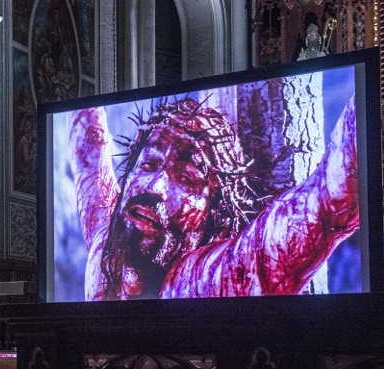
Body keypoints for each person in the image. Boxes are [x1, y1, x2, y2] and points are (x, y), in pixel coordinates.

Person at [68, 95, 358, 300]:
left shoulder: (201, 285)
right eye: (148, 164)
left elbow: (327, 200)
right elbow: (87, 142)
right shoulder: (104, 241)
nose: (155, 188)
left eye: (186, 179)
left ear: (214, 216)